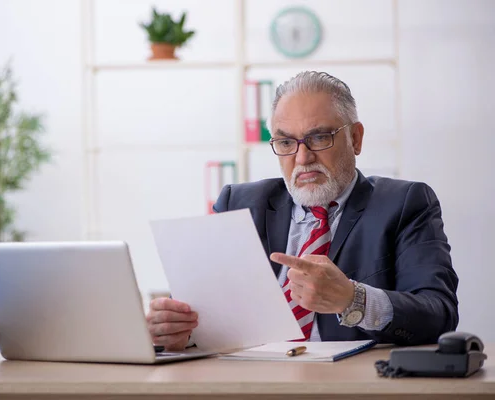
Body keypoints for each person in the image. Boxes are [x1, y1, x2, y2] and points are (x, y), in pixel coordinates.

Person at [146, 71, 459, 350]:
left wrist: (353, 300)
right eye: (285, 143)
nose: (302, 157)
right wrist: (180, 332)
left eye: (319, 137)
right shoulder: (239, 204)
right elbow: (209, 316)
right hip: (250, 383)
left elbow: (438, 313)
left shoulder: (405, 203)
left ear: (355, 138)